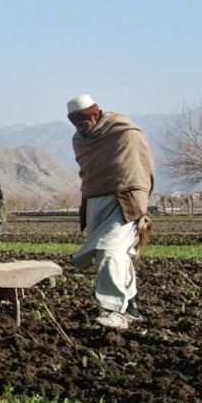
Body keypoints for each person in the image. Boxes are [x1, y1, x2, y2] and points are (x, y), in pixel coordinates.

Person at [66, 94, 155, 330]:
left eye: (82, 122)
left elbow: (139, 163)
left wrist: (140, 196)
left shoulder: (123, 129)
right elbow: (88, 170)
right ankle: (132, 308)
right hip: (95, 200)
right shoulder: (79, 139)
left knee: (109, 250)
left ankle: (114, 310)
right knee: (119, 255)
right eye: (74, 123)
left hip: (125, 199)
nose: (79, 128)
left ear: (94, 114)